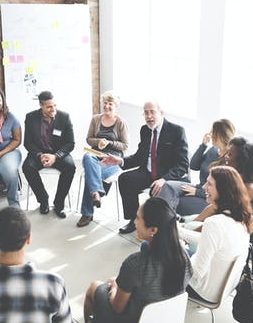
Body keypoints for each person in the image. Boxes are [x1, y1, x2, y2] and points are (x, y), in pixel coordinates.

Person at [82, 197, 192, 323]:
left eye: (138, 218)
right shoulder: (184, 258)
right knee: (119, 283)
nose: (134, 222)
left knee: (94, 287)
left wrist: (113, 288)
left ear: (153, 229)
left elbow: (117, 307)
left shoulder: (135, 264)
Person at [102, 101, 189, 235]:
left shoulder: (176, 131)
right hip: (148, 172)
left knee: (157, 191)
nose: (149, 116)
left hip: (167, 176)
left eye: (152, 112)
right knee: (125, 179)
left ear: (161, 113)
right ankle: (134, 220)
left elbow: (182, 165)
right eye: (146, 113)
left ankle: (160, 229)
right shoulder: (145, 130)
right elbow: (139, 157)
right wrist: (120, 161)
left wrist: (164, 179)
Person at [188, 137, 253, 259]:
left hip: (247, 248)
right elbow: (214, 208)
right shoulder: (243, 180)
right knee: (189, 225)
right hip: (236, 235)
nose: (225, 156)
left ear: (242, 161)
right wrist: (194, 225)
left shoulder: (249, 188)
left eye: (230, 154)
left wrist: (189, 233)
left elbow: (219, 215)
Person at [182, 166, 252, 302]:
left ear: (223, 190)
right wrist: (179, 232)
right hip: (223, 288)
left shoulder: (214, 224)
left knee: (150, 247)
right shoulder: (241, 217)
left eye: (209, 184)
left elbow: (196, 273)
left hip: (203, 291)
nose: (203, 187)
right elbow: (209, 242)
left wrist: (178, 247)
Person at [156, 119, 235, 216]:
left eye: (212, 131)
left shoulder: (230, 159)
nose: (210, 133)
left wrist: (197, 192)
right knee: (168, 186)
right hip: (200, 187)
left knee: (176, 200)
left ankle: (165, 220)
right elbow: (193, 165)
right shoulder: (213, 150)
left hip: (208, 196)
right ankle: (161, 218)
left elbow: (222, 192)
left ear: (220, 135)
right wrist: (203, 145)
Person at [77, 91, 129, 227]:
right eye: (104, 103)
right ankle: (96, 192)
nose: (106, 106)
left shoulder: (121, 122)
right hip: (96, 154)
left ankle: (87, 212)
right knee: (88, 157)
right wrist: (98, 141)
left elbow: (125, 145)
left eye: (110, 104)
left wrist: (110, 143)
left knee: (91, 173)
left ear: (115, 105)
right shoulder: (95, 119)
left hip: (113, 158)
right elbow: (89, 139)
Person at [22, 91, 76, 218]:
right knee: (27, 167)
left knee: (70, 167)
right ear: (41, 105)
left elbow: (70, 143)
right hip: (39, 153)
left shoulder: (64, 117)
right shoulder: (30, 117)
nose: (53, 109)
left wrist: (56, 156)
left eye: (55, 105)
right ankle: (43, 200)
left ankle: (59, 203)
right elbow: (28, 143)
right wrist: (40, 155)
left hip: (58, 153)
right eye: (49, 107)